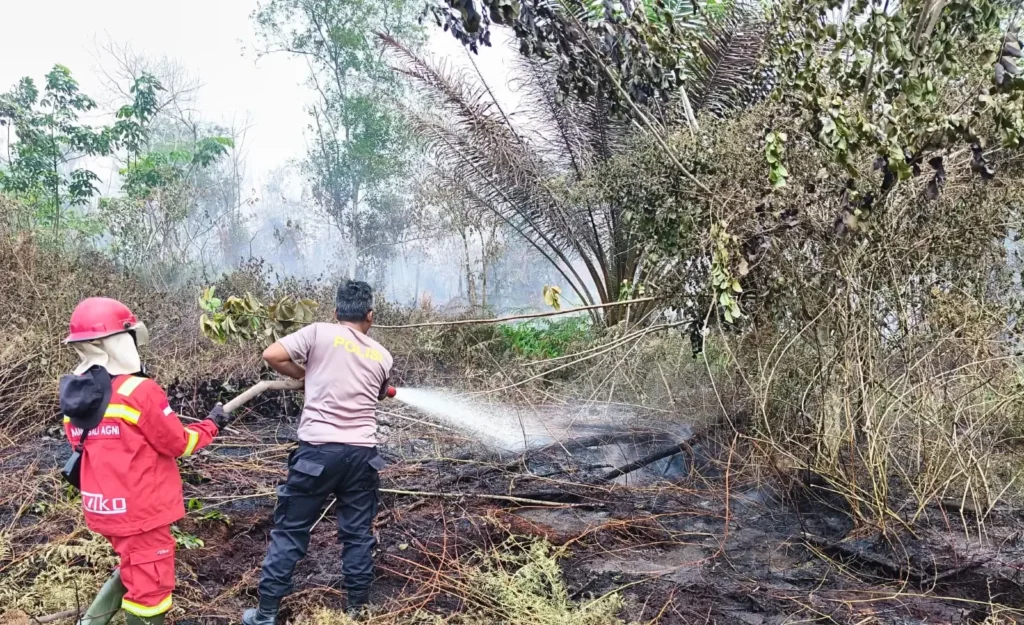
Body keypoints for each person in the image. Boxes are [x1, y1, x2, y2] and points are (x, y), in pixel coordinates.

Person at [60, 297, 231, 625]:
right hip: (140, 512)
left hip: (103, 508)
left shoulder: (75, 394)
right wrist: (212, 424)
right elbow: (178, 443)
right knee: (151, 591)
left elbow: (86, 442)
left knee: (132, 566)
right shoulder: (140, 391)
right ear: (122, 341)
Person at [243, 280, 393, 624]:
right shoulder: (383, 355)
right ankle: (357, 611)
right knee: (357, 536)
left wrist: (305, 374)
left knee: (291, 531)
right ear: (370, 316)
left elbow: (272, 355)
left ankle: (265, 615)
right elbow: (381, 391)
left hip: (317, 454)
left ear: (336, 312)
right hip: (362, 456)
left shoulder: (319, 332)